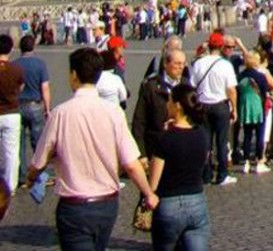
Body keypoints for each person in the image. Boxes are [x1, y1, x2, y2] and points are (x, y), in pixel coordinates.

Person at [27, 48, 159, 250]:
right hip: (107, 205)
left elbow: (39, 161)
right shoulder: (114, 113)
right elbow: (131, 163)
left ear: (74, 75)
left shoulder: (60, 114)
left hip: (74, 205)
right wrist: (148, 193)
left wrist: (31, 177)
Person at [147, 83, 211, 251]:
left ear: (177, 106)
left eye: (168, 101)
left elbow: (153, 183)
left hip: (169, 204)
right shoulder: (202, 135)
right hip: (197, 200)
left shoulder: (164, 139)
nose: (166, 105)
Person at [191, 33, 238, 186]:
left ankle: (205, 174)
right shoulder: (225, 65)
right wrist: (234, 108)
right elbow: (231, 90)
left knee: (205, 142)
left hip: (203, 105)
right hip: (220, 105)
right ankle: (222, 174)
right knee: (222, 141)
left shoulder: (198, 63)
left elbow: (192, 86)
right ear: (222, 47)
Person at [132, 48, 187, 164]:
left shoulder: (187, 86)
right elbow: (139, 121)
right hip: (156, 148)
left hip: (180, 147)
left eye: (183, 64)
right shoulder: (151, 87)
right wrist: (141, 153)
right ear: (166, 64)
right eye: (177, 63)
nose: (181, 67)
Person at [13, 34, 50, 186]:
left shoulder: (14, 64)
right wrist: (48, 108)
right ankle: (40, 176)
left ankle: (21, 177)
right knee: (39, 144)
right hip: (35, 105)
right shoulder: (40, 64)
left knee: (19, 143)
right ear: (33, 47)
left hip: (18, 105)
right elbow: (45, 88)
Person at [236, 51, 273, 174]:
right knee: (260, 136)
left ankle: (245, 162)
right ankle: (259, 161)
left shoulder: (240, 76)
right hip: (258, 108)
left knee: (247, 135)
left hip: (245, 107)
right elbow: (264, 91)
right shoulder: (260, 77)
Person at [0, 35, 24, 196]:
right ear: (11, 49)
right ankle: (10, 186)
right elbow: (20, 88)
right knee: (11, 152)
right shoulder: (17, 69)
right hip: (12, 112)